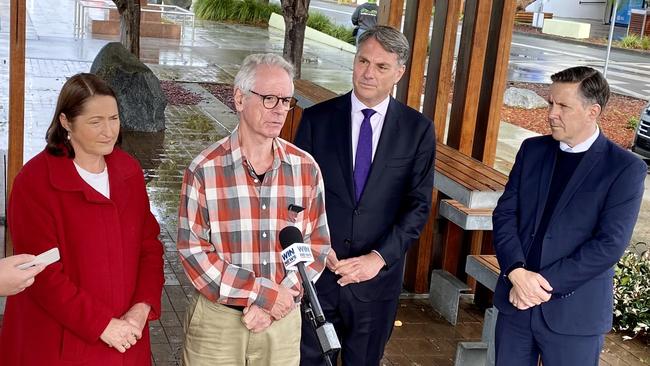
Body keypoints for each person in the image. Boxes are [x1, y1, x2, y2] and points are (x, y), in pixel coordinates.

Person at [177, 53, 331, 366]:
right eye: (269, 98)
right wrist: (260, 294)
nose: (279, 111)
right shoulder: (204, 169)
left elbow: (316, 246)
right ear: (239, 98)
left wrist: (279, 299)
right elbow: (193, 253)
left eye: (286, 101)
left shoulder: (306, 168)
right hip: (218, 322)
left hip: (282, 322)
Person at [0, 73, 165, 365]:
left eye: (114, 118)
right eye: (95, 121)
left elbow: (149, 246)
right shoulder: (35, 182)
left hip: (127, 337)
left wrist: (141, 309)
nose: (108, 130)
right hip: (58, 345)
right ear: (66, 122)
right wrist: (102, 325)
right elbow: (41, 274)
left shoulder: (129, 172)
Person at [295, 26, 436, 365]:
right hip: (319, 277)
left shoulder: (418, 130)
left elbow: (417, 206)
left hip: (377, 285)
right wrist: (317, 246)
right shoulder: (317, 120)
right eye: (363, 61)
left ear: (399, 73)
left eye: (381, 66)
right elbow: (296, 194)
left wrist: (379, 258)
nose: (368, 73)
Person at [492, 66, 647, 366]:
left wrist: (538, 287)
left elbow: (608, 245)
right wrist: (516, 272)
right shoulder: (532, 150)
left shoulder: (624, 169)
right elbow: (505, 215)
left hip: (574, 315)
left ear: (593, 111)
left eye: (563, 106)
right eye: (551, 103)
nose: (551, 113)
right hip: (516, 302)